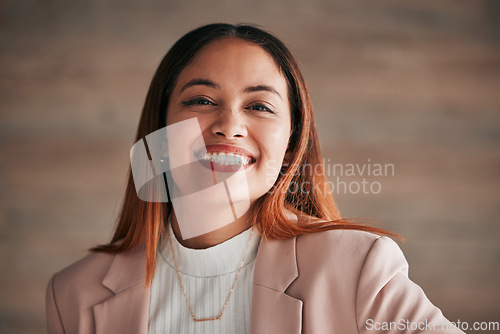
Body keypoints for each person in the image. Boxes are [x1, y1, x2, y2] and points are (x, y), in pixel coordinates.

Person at [46, 23, 464, 334]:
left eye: (259, 106)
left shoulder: (360, 267)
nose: (229, 126)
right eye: (201, 100)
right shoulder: (73, 295)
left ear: (291, 142)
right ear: (160, 131)